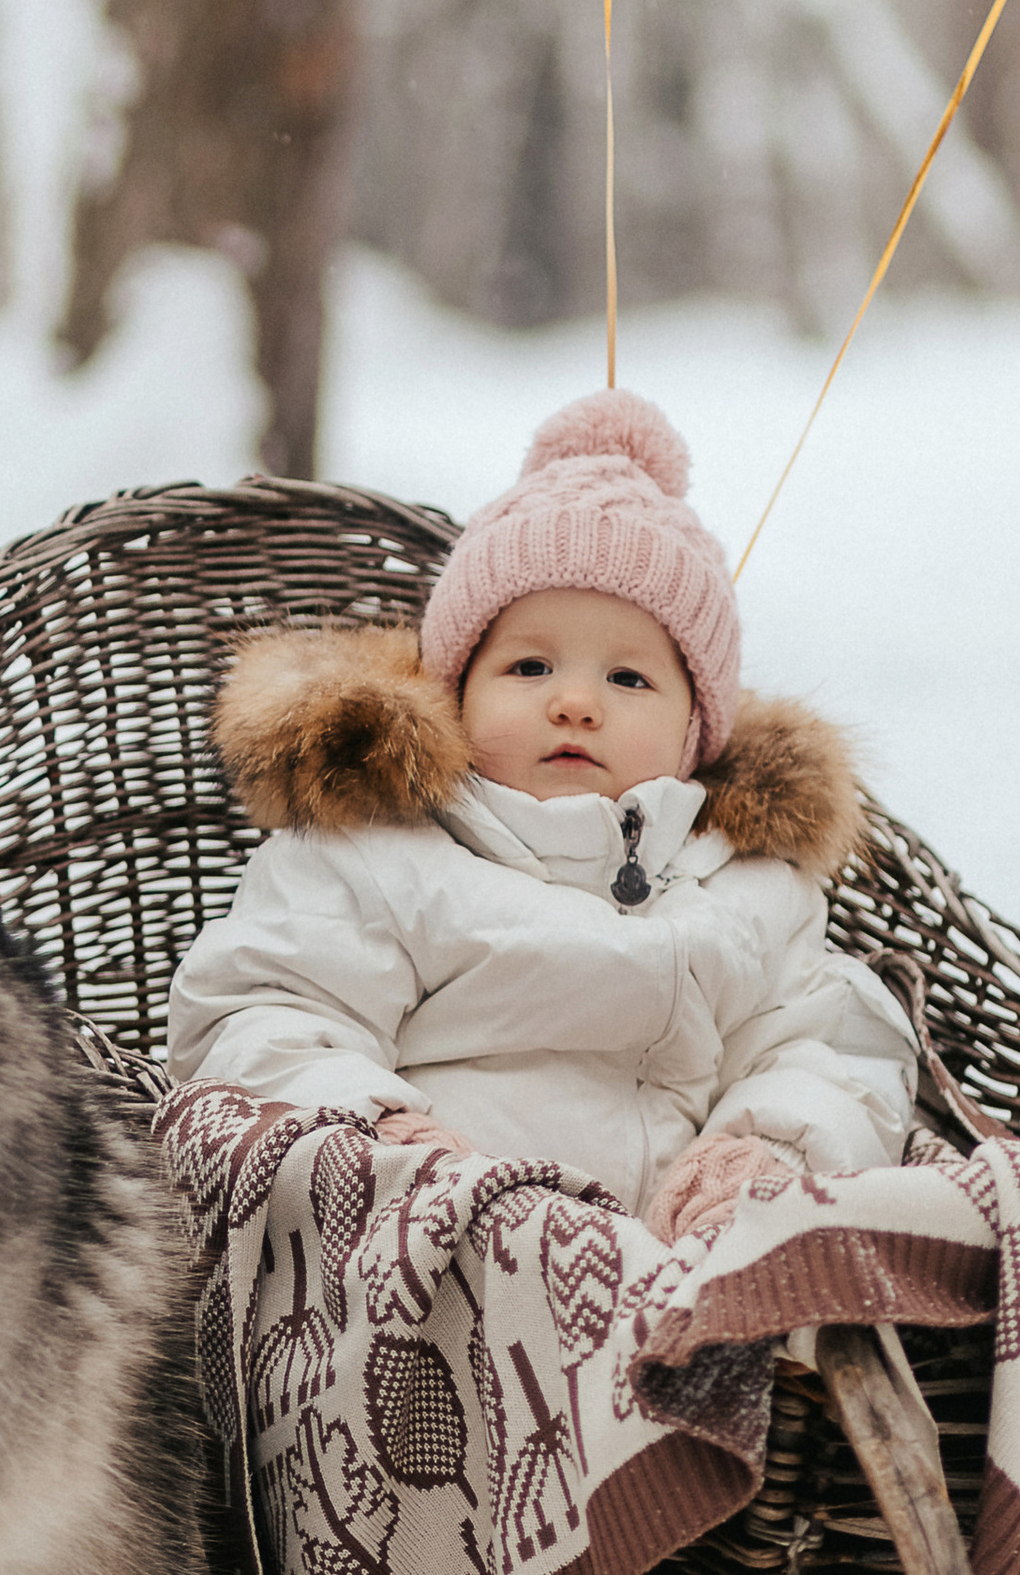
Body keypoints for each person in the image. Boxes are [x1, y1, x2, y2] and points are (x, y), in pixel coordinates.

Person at [163, 392, 917, 1244]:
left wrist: (761, 1158)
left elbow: (826, 1049)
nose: (574, 703)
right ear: (456, 689)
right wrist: (378, 1145)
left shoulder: (748, 889)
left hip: (677, 1271)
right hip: (434, 1256)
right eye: (528, 667)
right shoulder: (380, 854)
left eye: (629, 680)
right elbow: (265, 1013)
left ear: (696, 732)